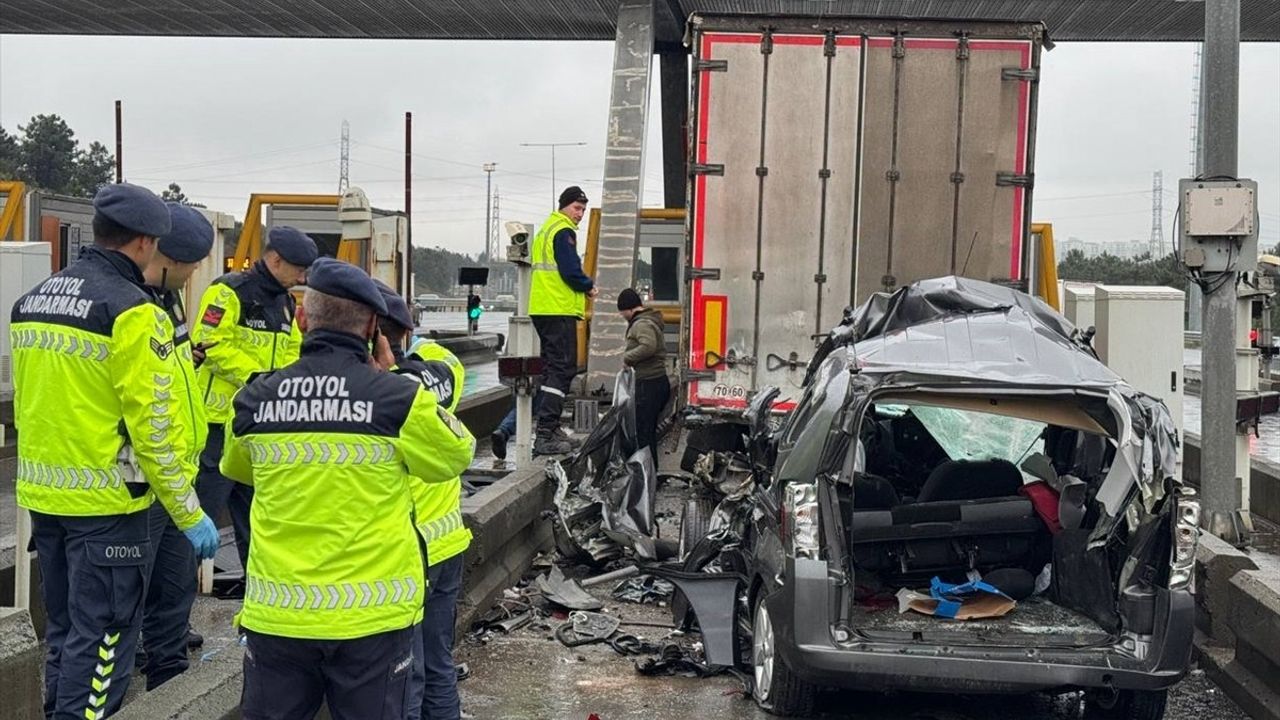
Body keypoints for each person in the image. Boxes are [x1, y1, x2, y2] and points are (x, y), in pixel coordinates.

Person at [220, 258, 475, 720]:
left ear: (301, 318)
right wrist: (392, 374)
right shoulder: (397, 399)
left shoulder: (254, 398)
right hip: (372, 621)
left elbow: (238, 467)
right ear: (375, 328)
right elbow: (456, 453)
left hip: (278, 617)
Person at [10, 183, 219, 720]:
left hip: (46, 500)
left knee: (66, 633)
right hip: (108, 506)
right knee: (104, 642)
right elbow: (152, 429)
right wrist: (189, 512)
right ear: (146, 242)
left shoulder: (32, 301)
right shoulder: (132, 311)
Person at [191, 226, 317, 575]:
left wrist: (287, 385)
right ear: (274, 259)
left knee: (255, 518)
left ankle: (256, 593)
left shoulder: (286, 304)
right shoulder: (229, 292)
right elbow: (210, 343)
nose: (301, 277)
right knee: (199, 515)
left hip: (257, 425)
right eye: (297, 269)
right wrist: (258, 380)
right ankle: (171, 612)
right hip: (218, 423)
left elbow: (293, 350)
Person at [372, 281, 470, 720]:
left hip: (408, 552)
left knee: (405, 675)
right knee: (439, 663)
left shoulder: (385, 394)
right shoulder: (443, 367)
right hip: (447, 540)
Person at [138, 203, 215, 690]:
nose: (190, 277)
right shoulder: (133, 306)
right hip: (143, 480)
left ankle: (167, 680)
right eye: (188, 267)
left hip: (178, 473)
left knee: (174, 587)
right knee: (131, 598)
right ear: (165, 255)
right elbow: (146, 412)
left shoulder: (169, 301)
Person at [513, 185, 597, 456]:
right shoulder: (563, 231)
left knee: (553, 368)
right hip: (556, 308)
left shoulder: (546, 229)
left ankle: (550, 428)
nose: (580, 214)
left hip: (544, 308)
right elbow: (570, 270)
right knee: (562, 368)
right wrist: (588, 286)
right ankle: (546, 433)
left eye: (583, 209)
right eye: (576, 208)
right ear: (564, 206)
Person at [616, 288, 671, 458]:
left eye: (622, 312)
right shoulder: (649, 320)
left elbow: (648, 346)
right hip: (656, 382)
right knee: (647, 432)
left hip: (649, 384)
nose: (622, 316)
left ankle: (647, 477)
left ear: (629, 309)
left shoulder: (641, 323)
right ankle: (648, 473)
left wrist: (627, 358)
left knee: (644, 433)